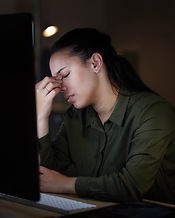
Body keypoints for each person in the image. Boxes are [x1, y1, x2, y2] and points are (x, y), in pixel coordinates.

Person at [36, 28, 175, 204]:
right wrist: (41, 117)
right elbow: (47, 176)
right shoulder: (75, 117)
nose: (60, 86)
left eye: (65, 75)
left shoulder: (152, 111)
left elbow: (131, 186)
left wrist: (66, 184)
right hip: (97, 216)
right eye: (57, 79)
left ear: (95, 63)